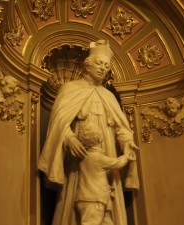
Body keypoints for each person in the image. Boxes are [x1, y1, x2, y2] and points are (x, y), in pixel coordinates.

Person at [38, 39, 139, 225]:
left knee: (108, 204)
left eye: (106, 66)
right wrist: (69, 138)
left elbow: (122, 128)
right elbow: (59, 120)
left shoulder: (109, 96)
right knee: (75, 194)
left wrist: (127, 143)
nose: (102, 68)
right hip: (80, 154)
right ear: (88, 64)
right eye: (99, 63)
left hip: (106, 151)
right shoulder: (70, 88)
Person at [75, 122, 136, 225]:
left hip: (93, 198)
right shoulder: (97, 157)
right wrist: (126, 156)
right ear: (99, 139)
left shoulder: (84, 158)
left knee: (107, 222)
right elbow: (117, 163)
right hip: (94, 199)